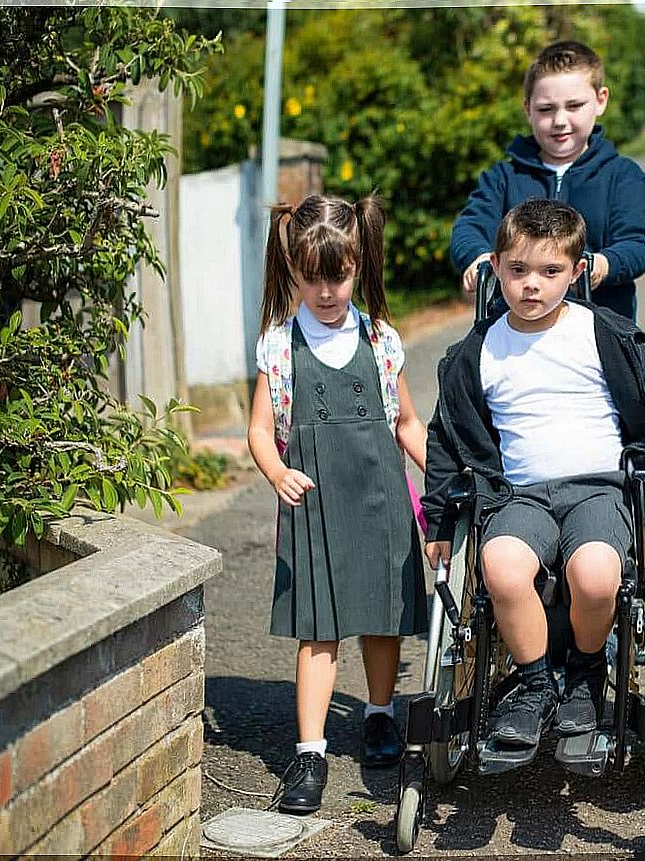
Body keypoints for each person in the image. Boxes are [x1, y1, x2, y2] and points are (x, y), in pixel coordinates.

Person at [424, 199, 645, 755]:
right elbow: (446, 438)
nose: (531, 286)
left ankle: (588, 673)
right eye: (518, 270)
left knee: (596, 576)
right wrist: (440, 521)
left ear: (575, 273)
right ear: (495, 268)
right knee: (500, 568)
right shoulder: (478, 352)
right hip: (518, 495)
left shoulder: (604, 334)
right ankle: (535, 683)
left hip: (599, 488)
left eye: (549, 272)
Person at [246, 194, 429, 814]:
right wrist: (276, 470)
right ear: (291, 269)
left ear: (359, 264)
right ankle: (310, 753)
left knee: (381, 617)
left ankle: (379, 717)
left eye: (339, 275)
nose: (326, 291)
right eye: (312, 277)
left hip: (382, 499)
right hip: (314, 501)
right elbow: (257, 429)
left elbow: (405, 422)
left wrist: (450, 475)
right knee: (318, 630)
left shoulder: (380, 339)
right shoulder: (278, 344)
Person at [450, 40, 645, 321]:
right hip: (513, 328)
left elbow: (639, 242)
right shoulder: (503, 177)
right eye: (546, 109)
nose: (560, 120)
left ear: (600, 100)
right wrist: (477, 257)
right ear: (528, 109)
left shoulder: (624, 177)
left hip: (599, 327)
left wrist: (601, 265)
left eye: (574, 106)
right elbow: (470, 227)